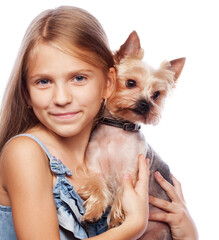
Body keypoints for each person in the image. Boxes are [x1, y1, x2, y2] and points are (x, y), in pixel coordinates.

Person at [0, 5, 198, 240]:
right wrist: (132, 225)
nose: (62, 98)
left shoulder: (109, 155)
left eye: (79, 78)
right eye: (44, 81)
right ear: (26, 93)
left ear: (108, 83)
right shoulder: (25, 153)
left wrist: (188, 235)